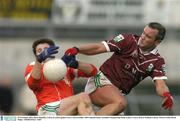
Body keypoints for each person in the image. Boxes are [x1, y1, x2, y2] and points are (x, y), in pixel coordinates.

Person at [64, 22, 174, 115]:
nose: (143, 37)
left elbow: (160, 84)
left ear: (157, 42)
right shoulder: (128, 40)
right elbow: (99, 47)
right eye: (143, 33)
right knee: (121, 103)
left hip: (117, 96)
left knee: (118, 103)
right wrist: (77, 49)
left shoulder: (157, 61)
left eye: (148, 37)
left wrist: (166, 95)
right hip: (100, 82)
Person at [24, 38, 97, 115]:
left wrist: (75, 63)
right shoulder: (32, 66)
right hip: (48, 109)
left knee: (88, 108)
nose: (43, 52)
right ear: (36, 55)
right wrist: (39, 60)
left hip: (67, 108)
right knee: (83, 97)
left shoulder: (62, 65)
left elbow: (92, 71)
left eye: (46, 49)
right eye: (39, 51)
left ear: (53, 51)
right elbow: (32, 84)